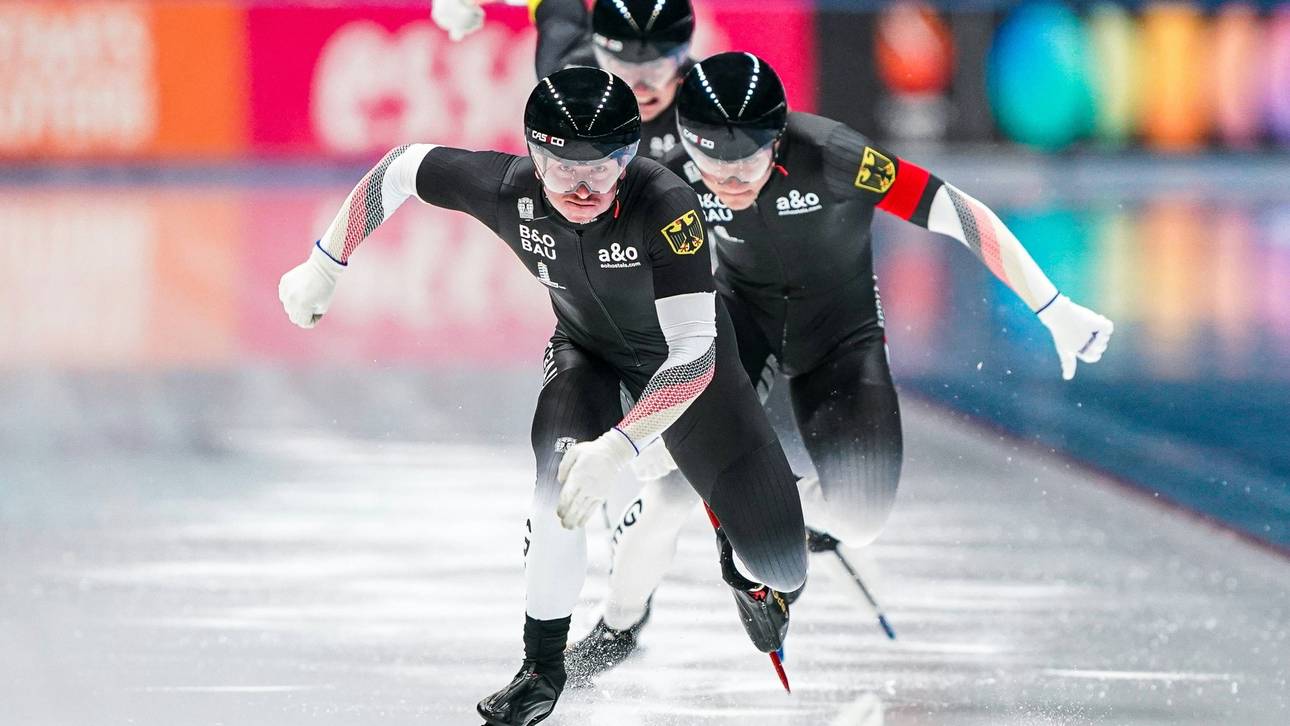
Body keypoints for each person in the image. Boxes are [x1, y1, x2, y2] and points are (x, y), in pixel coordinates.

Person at [276, 66, 807, 726]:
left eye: (605, 167)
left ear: (631, 159)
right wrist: (326, 263)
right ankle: (540, 669)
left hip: (692, 372)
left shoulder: (667, 209)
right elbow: (402, 167)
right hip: (586, 357)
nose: (582, 187)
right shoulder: (506, 190)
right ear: (533, 153)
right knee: (558, 493)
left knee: (783, 564)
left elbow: (693, 359)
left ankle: (751, 575)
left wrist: (619, 447)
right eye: (562, 168)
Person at [565, 51, 1116, 682]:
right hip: (744, 332)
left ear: (778, 140)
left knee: (862, 521)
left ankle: (764, 531)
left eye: (747, 160)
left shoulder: (835, 155)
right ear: (687, 141)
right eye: (712, 161)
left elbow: (962, 213)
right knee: (665, 489)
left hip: (841, 345)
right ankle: (618, 627)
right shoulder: (667, 175)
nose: (729, 178)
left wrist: (1053, 305)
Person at [433, 0, 696, 159]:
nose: (641, 86)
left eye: (656, 69)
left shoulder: (707, 97)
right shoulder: (566, 77)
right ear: (599, 56)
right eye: (623, 69)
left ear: (681, 60)